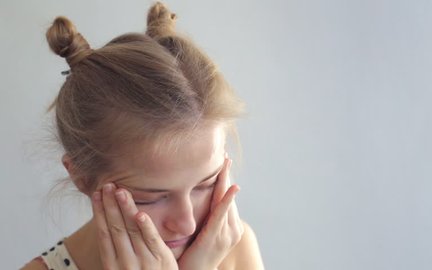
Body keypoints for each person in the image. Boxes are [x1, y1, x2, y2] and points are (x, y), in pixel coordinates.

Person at [21, 2, 264, 269]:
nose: (187, 223)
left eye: (206, 184)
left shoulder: (233, 247)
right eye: (148, 198)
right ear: (81, 176)